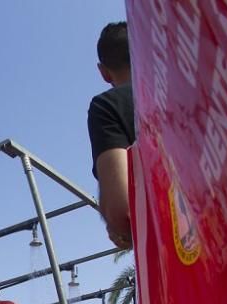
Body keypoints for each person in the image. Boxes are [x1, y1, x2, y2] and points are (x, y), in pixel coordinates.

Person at [88, 21, 135, 249]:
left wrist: (121, 233)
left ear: (104, 72)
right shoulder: (187, 92)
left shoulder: (107, 106)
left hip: (185, 255)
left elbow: (121, 211)